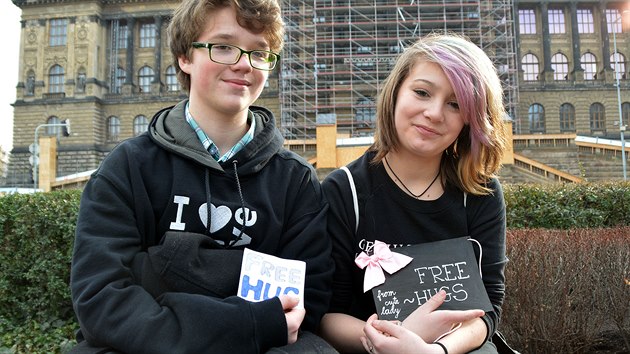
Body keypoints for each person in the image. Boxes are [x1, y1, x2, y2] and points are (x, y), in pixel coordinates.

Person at [69, 0, 334, 353]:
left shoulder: (295, 179)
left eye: (259, 52)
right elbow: (102, 300)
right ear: (185, 57)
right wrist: (249, 316)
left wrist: (160, 276)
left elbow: (306, 302)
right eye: (223, 47)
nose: (243, 64)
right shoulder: (129, 166)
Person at [320, 33, 509, 354]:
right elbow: (326, 311)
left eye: (455, 104)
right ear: (395, 93)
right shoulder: (344, 191)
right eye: (422, 92)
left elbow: (489, 304)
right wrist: (385, 342)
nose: (435, 113)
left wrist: (434, 352)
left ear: (470, 119)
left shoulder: (482, 193)